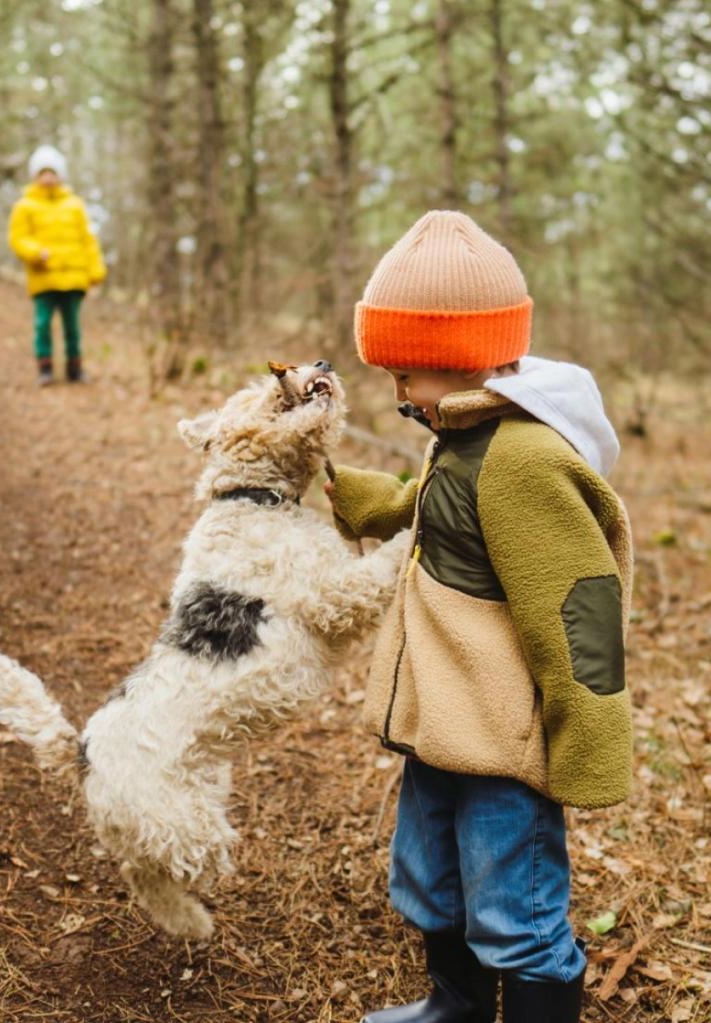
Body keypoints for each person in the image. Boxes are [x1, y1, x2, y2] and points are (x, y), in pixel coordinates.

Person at [325, 211, 633, 1023]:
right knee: (430, 877)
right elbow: (439, 507)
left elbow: (578, 604)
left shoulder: (523, 458)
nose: (395, 392)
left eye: (405, 374)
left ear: (460, 358)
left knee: (514, 910)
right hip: (443, 720)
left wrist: (590, 735)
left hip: (502, 738)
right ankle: (452, 1008)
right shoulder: (460, 429)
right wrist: (373, 503)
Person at [8, 144, 106, 386]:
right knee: (42, 324)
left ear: (60, 175)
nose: (48, 177)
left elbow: (88, 240)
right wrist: (34, 252)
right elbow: (17, 238)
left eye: (52, 172)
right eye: (43, 172)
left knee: (72, 326)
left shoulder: (75, 204)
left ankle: (75, 368)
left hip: (73, 278)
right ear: (35, 176)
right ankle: (45, 368)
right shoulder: (25, 206)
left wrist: (96, 270)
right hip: (44, 277)